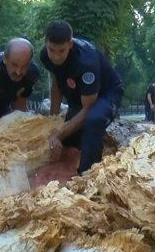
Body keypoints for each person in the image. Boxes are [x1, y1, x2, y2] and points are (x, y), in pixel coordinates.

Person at [39, 20, 124, 175]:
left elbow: (87, 109)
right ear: (45, 43)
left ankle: (87, 175)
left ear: (70, 44)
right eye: (52, 50)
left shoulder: (86, 62)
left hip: (106, 93)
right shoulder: (45, 56)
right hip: (79, 95)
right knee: (66, 139)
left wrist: (58, 133)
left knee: (93, 121)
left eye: (61, 51)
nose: (56, 57)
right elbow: (56, 85)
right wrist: (52, 123)